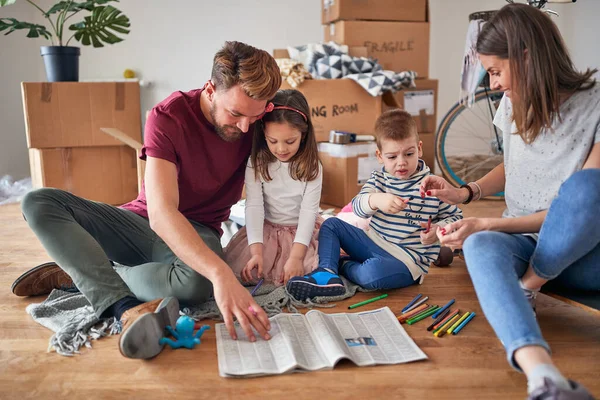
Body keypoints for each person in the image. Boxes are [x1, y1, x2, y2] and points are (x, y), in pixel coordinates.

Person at [11, 41, 282, 359]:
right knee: (37, 202)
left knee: (195, 285)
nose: (245, 126)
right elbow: (161, 212)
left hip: (200, 229)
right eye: (235, 113)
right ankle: (118, 304)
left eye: (255, 114)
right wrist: (222, 274)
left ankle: (85, 272)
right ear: (210, 89)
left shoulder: (259, 118)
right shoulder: (168, 117)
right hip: (143, 221)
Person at [420, 4, 599, 399]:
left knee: (588, 188)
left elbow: (583, 207)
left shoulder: (596, 103)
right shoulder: (512, 101)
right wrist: (467, 193)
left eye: (496, 70)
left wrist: (488, 222)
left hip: (581, 252)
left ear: (527, 56)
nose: (494, 83)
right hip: (522, 242)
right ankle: (543, 377)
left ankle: (528, 286)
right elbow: (514, 163)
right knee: (481, 244)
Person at [286, 109, 463, 300]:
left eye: (409, 154)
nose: (401, 163)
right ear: (379, 156)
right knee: (330, 224)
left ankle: (343, 265)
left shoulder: (433, 185)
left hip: (406, 261)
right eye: (392, 157)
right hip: (372, 242)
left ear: (419, 149)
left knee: (372, 275)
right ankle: (326, 273)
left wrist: (438, 230)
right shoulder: (379, 179)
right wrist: (376, 199)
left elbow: (456, 217)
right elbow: (357, 206)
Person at [224, 89, 322, 286]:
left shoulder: (312, 166)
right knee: (247, 272)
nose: (281, 149)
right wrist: (256, 252)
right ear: (264, 134)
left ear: (303, 135)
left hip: (300, 234)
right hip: (265, 232)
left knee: (309, 270)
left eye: (290, 141)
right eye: (273, 141)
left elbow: (308, 212)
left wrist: (296, 257)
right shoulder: (257, 161)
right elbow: (254, 206)